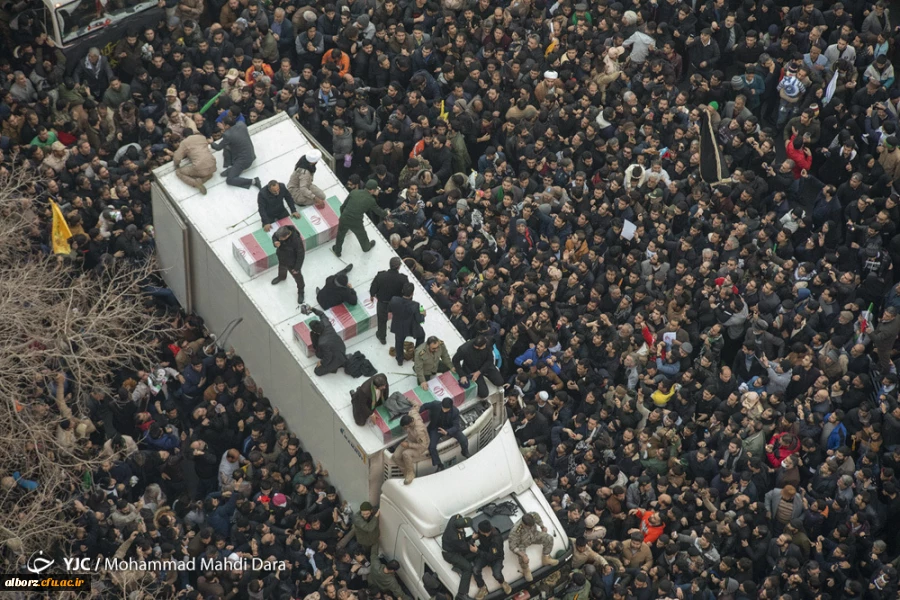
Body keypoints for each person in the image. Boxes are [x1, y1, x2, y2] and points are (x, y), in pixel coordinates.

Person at [332, 180, 386, 257]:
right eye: (376, 189)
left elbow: (342, 207)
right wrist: (386, 213)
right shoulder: (371, 200)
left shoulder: (354, 192)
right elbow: (379, 212)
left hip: (344, 217)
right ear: (372, 190)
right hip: (356, 222)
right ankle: (366, 247)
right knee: (362, 235)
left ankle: (337, 251)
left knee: (340, 234)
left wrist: (343, 216)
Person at [420, 398, 469, 470]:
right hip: (436, 428)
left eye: (446, 409)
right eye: (443, 408)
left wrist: (447, 432)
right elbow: (425, 406)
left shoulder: (455, 411)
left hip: (449, 428)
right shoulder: (436, 404)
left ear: (451, 407)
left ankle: (465, 452)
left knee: (464, 439)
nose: (444, 410)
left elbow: (456, 426)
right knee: (431, 447)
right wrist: (416, 413)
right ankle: (439, 465)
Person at [211, 115, 259, 189]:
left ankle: (254, 181)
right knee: (227, 147)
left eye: (223, 124)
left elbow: (218, 147)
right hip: (251, 153)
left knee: (230, 180)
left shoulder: (227, 135)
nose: (221, 125)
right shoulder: (241, 124)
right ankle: (231, 167)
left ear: (227, 125)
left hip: (244, 160)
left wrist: (211, 142)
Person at [508, 513, 558, 582]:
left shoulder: (532, 515)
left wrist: (542, 526)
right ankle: (526, 570)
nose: (531, 527)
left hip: (534, 535)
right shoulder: (516, 531)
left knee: (549, 538)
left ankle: (546, 558)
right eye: (529, 526)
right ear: (524, 525)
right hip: (522, 542)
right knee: (522, 556)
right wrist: (523, 555)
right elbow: (512, 546)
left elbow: (537, 517)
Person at [370, 257, 409, 345]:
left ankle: (382, 336)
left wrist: (372, 295)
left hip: (383, 303)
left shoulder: (380, 276)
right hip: (397, 303)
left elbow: (373, 287)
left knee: (382, 320)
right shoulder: (403, 279)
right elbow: (407, 291)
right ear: (399, 267)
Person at [388, 282, 425, 366]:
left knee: (399, 341)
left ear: (402, 291)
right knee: (421, 335)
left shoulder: (394, 299)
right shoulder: (415, 305)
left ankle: (399, 359)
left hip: (398, 326)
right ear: (412, 293)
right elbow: (419, 320)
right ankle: (416, 356)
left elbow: (389, 309)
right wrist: (423, 314)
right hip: (411, 327)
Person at [472, 520, 511, 599]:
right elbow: (473, 539)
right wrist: (472, 539)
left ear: (485, 532)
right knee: (475, 569)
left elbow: (492, 556)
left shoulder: (496, 540)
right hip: (485, 552)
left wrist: (477, 551)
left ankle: (503, 582)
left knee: (497, 574)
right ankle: (483, 588)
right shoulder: (482, 532)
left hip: (496, 557)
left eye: (479, 530)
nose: (478, 531)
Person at [442, 515, 476, 600]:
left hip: (454, 547)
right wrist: (472, 539)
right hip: (450, 554)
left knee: (473, 555)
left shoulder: (455, 518)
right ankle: (461, 594)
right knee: (468, 568)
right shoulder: (455, 537)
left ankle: (458, 565)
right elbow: (465, 548)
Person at [305, 306, 347, 375]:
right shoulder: (326, 323)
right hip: (340, 346)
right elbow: (321, 314)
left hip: (337, 356)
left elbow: (329, 356)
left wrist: (321, 363)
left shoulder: (322, 342)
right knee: (319, 352)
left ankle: (340, 363)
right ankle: (338, 361)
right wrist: (312, 309)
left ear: (316, 331)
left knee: (317, 371)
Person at [271, 225, 305, 303]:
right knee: (281, 268)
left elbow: (301, 255)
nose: (280, 240)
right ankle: (282, 277)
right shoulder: (281, 232)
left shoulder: (296, 241)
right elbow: (275, 236)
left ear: (287, 235)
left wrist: (297, 268)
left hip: (292, 263)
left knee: (298, 278)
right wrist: (275, 242)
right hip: (282, 257)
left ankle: (301, 292)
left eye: (281, 238)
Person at [393, 409, 428, 484]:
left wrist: (408, 445)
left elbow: (423, 445)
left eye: (405, 427)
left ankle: (410, 473)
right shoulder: (412, 414)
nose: (405, 429)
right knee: (395, 456)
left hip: (421, 446)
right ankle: (406, 472)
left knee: (406, 454)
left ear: (409, 424)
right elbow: (415, 406)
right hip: (410, 439)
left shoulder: (419, 431)